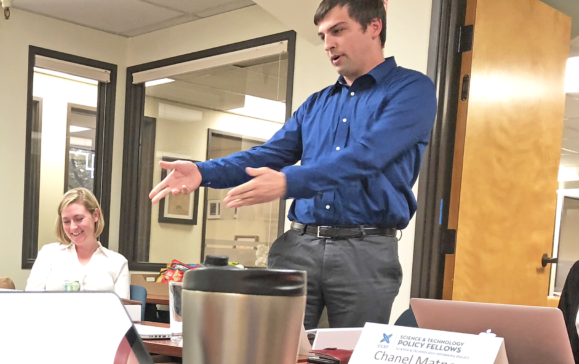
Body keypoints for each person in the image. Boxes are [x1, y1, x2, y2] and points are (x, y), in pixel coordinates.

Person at [149, 0, 437, 331]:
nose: (328, 43)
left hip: (365, 252)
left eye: (338, 30)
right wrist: (204, 171)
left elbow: (367, 156)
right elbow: (267, 155)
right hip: (298, 248)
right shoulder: (315, 105)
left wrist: (289, 182)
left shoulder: (411, 90)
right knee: (271, 363)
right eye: (323, 34)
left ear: (374, 27)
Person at [27, 188, 130, 299]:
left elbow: (124, 312)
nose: (73, 227)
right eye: (66, 221)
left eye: (79, 219)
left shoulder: (118, 263)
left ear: (95, 215)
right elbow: (30, 301)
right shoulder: (48, 254)